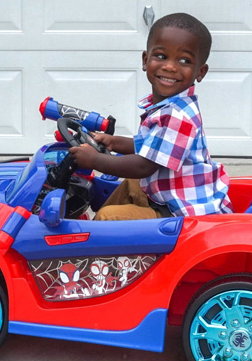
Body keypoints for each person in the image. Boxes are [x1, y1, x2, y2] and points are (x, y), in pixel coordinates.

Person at [69, 13, 234, 220]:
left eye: (184, 60)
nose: (170, 66)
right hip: (168, 198)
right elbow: (150, 146)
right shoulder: (167, 107)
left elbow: (144, 165)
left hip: (184, 214)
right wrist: (113, 142)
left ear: (200, 72)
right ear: (146, 60)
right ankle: (95, 232)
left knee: (109, 218)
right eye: (161, 56)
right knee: (131, 183)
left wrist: (94, 160)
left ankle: (95, 239)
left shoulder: (178, 115)